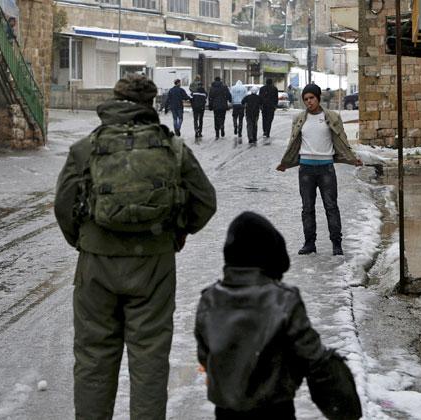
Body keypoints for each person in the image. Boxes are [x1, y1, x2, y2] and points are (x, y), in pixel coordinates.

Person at [54, 75, 217, 420]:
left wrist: (85, 242)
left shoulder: (85, 148)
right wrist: (176, 233)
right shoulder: (172, 148)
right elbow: (205, 201)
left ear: (115, 100)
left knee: (94, 358)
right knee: (149, 359)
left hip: (96, 265)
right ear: (151, 103)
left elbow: (64, 206)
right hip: (154, 265)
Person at [195, 211, 361, 420]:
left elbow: (205, 355)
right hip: (275, 409)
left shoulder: (209, 300)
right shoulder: (284, 300)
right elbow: (311, 355)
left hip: (227, 410)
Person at [276, 84, 362, 256]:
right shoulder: (300, 119)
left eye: (312, 98)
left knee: (331, 206)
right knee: (307, 208)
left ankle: (336, 244)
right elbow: (294, 144)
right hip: (306, 169)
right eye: (306, 99)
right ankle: (309, 243)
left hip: (326, 169)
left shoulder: (331, 117)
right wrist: (285, 163)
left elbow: (342, 141)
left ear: (318, 98)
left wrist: (352, 159)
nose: (309, 102)